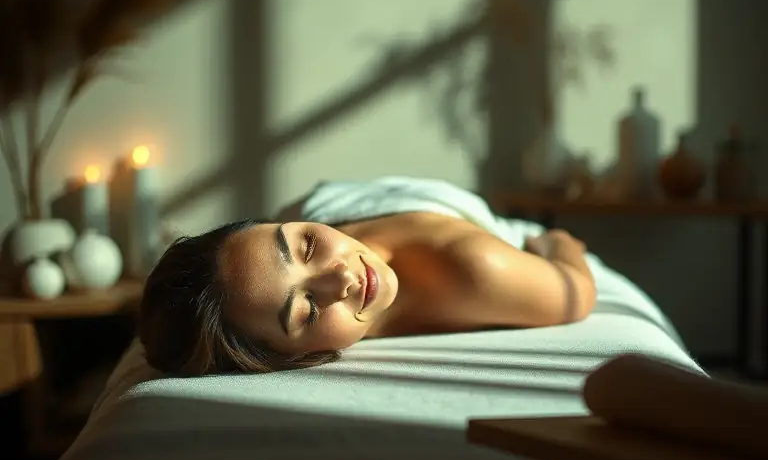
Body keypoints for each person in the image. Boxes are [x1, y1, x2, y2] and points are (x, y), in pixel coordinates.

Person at [139, 175, 603, 377]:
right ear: (289, 359)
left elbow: (576, 290)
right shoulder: (304, 242)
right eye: (306, 309)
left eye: (307, 245)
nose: (343, 280)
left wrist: (558, 243)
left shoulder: (476, 269)